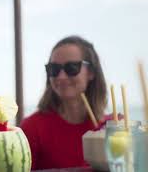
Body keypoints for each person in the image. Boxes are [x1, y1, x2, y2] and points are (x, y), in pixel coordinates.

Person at [20, 35, 108, 170]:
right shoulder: (32, 127)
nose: (61, 76)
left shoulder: (111, 128)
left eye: (72, 68)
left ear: (91, 72)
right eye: (54, 69)